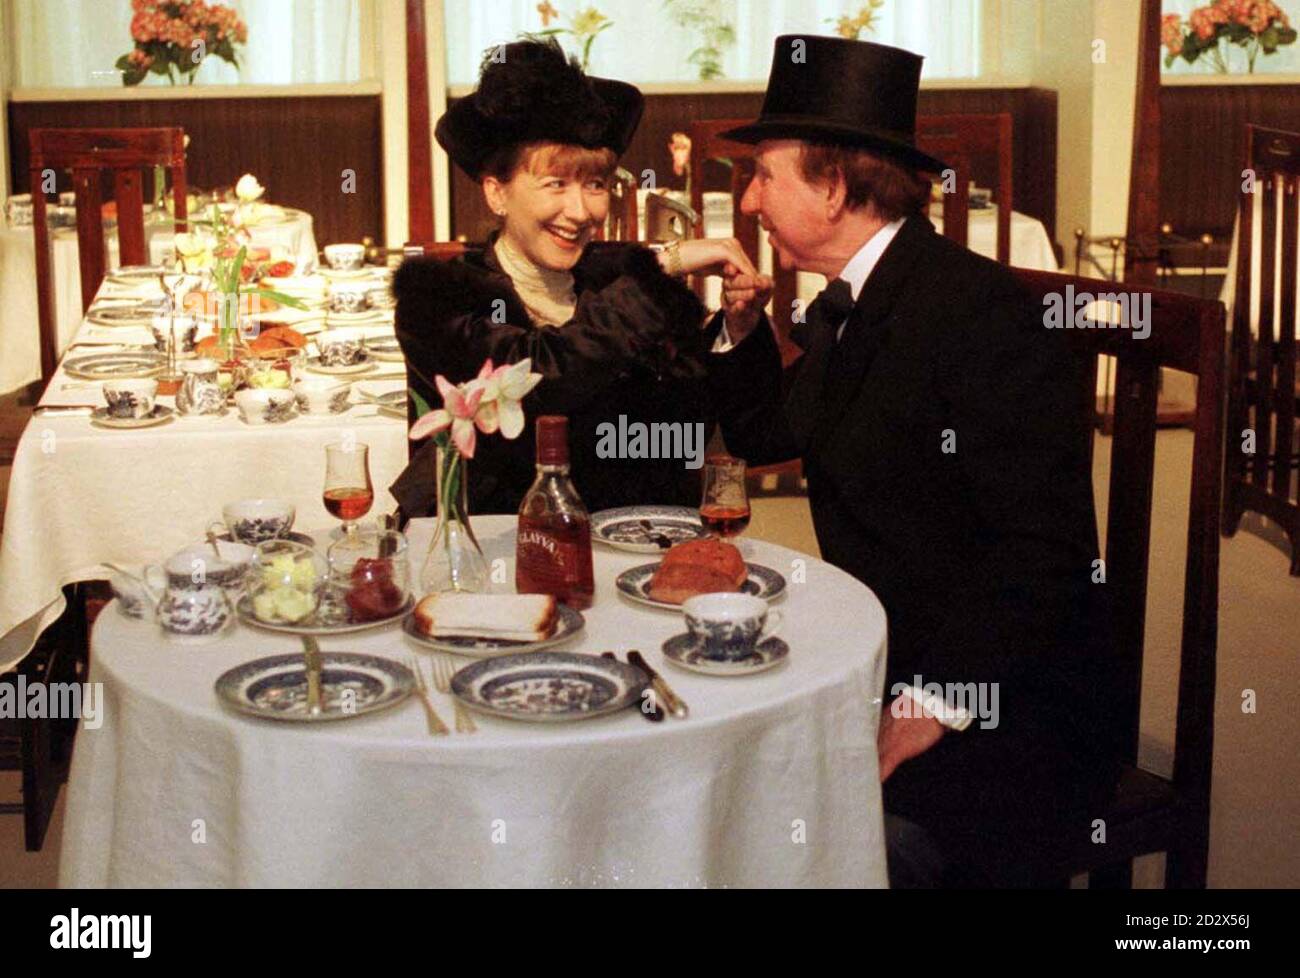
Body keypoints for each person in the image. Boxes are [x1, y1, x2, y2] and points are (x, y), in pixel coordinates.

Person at [710, 36, 1121, 887]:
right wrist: (744, 332)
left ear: (831, 186)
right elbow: (762, 434)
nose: (749, 201)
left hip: (1011, 706)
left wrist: (931, 706)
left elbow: (1046, 554)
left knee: (801, 843)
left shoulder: (980, 315)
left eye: (764, 176)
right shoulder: (858, 297)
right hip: (888, 659)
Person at [390, 38, 773, 518]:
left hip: (636, 539)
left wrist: (735, 332)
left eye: (595, 184)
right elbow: (537, 378)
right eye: (555, 184)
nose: (580, 211)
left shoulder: (616, 278)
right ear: (497, 193)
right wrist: (664, 265)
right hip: (504, 545)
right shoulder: (438, 298)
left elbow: (717, 425)